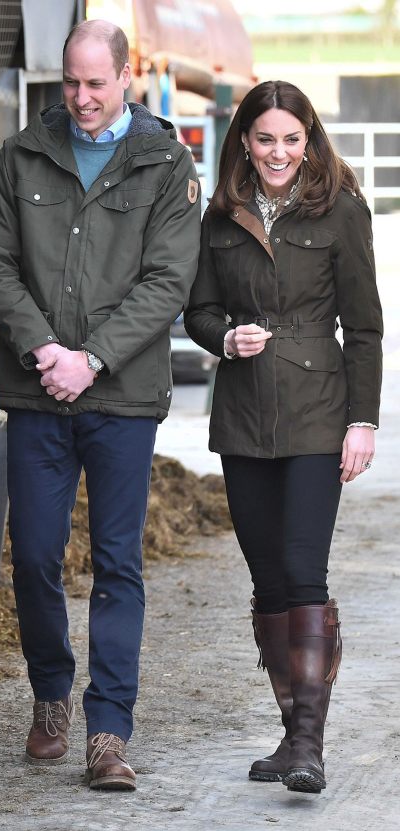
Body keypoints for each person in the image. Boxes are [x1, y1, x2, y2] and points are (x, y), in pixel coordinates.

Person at [0, 19, 201, 790]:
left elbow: (168, 280)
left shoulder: (165, 164)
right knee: (34, 556)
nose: (81, 98)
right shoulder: (23, 153)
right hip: (37, 391)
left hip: (122, 398)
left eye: (95, 83)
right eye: (70, 83)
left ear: (125, 78)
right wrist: (47, 352)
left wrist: (93, 358)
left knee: (116, 563)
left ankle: (109, 728)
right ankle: (49, 695)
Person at [184, 80, 383, 794]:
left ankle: (308, 745)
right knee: (268, 583)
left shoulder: (341, 212)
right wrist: (223, 336)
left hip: (315, 414)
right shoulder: (220, 216)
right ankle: (289, 733)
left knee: (304, 574)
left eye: (291, 140)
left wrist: (362, 421)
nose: (279, 153)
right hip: (241, 418)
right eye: (265, 139)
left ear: (309, 140)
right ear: (245, 139)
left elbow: (364, 328)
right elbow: (198, 309)